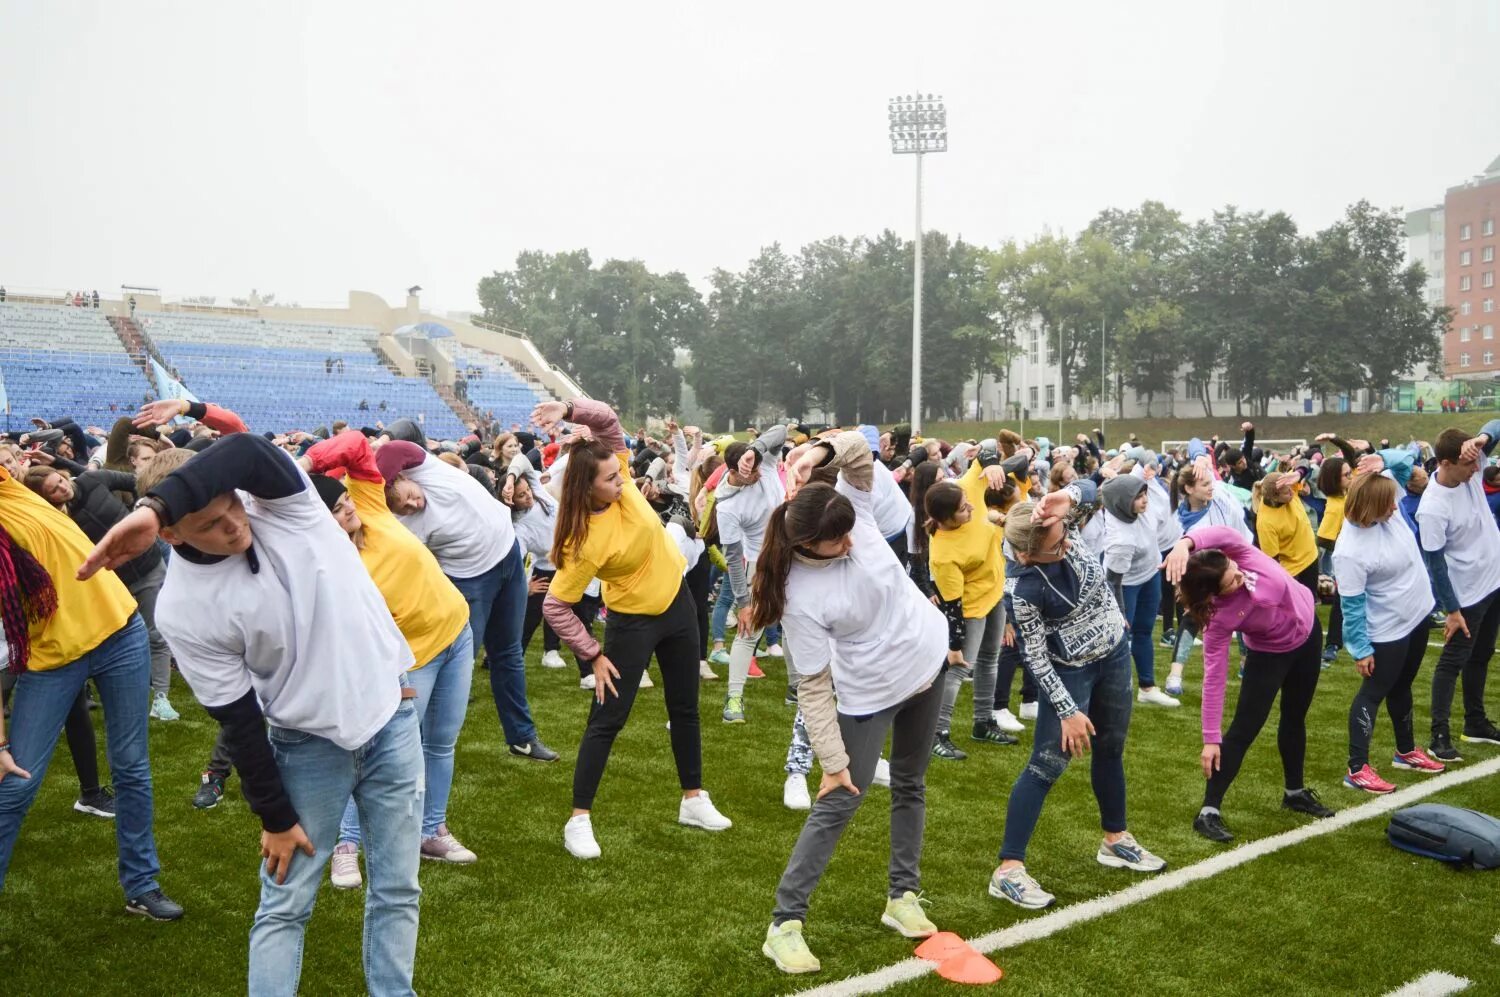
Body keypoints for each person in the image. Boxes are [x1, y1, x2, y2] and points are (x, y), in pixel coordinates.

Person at [83, 434, 421, 994]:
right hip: (307, 745)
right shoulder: (183, 608)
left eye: (231, 505)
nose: (235, 524)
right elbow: (238, 723)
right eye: (212, 524)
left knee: (399, 888)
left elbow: (245, 449)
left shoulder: (284, 506)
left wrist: (155, 504)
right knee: (285, 905)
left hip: (392, 716)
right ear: (170, 536)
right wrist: (274, 816)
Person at [756, 432, 946, 973]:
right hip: (869, 693)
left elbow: (859, 450)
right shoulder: (797, 596)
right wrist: (833, 762)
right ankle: (785, 924)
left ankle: (901, 897)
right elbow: (814, 686)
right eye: (836, 541)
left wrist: (815, 452)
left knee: (912, 783)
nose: (850, 543)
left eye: (847, 533)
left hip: (926, 667)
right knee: (839, 799)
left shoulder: (850, 513)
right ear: (805, 545)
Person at [533, 398, 731, 860]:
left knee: (685, 708)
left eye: (619, 472)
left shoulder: (619, 478)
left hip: (678, 607)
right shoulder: (584, 541)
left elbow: (607, 421)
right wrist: (592, 654)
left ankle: (693, 799)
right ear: (587, 490)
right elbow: (556, 606)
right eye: (611, 479)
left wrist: (567, 408)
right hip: (632, 625)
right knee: (607, 721)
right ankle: (578, 819)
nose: (623, 480)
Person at [0, 455, 179, 921]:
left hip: (121, 633)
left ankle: (142, 884)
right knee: (15, 785)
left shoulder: (13, 489)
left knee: (132, 767)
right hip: (50, 661)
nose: (12, 461)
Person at [299, 431, 478, 886]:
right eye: (339, 510)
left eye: (347, 501)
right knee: (376, 755)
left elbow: (358, 445)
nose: (350, 509)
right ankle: (346, 844)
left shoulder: (372, 510)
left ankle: (430, 830)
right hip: (411, 658)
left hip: (457, 633)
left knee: (441, 743)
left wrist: (308, 465)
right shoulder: (329, 566)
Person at [989, 487, 1166, 911]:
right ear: (1030, 556)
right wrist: (1068, 711)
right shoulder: (1023, 588)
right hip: (1071, 671)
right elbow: (1033, 655)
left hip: (1114, 654)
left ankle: (1115, 839)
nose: (1068, 543)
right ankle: (1008, 870)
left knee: (1111, 749)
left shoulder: (1058, 529)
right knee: (1045, 766)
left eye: (1065, 534)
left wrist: (1065, 499)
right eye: (1058, 545)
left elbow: (1096, 491)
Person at [377, 438, 556, 762]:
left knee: (509, 652)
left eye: (409, 498)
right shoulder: (399, 525)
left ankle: (521, 736)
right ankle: (415, 744)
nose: (414, 506)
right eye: (404, 508)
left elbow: (391, 450)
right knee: (455, 661)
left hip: (508, 559)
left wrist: (375, 481)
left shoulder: (425, 470)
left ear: (403, 480)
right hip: (469, 580)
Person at [1165, 525, 1335, 844]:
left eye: (1234, 569)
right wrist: (1210, 738)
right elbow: (1213, 680)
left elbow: (1223, 534)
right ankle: (1208, 811)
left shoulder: (1241, 554)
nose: (1239, 576)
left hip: (1308, 635)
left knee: (1295, 717)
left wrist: (1183, 544)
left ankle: (1294, 793)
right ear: (1212, 595)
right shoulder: (1217, 619)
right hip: (1269, 654)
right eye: (1231, 581)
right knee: (1243, 730)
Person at [21, 463, 178, 723]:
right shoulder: (60, 522)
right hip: (113, 585)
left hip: (148, 567)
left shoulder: (93, 480)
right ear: (47, 499)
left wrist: (143, 512)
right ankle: (118, 693)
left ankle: (161, 697)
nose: (62, 488)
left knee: (155, 635)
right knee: (119, 643)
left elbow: (135, 482)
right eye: (54, 490)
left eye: (59, 480)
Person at [1333, 460, 1447, 793]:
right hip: (1387, 631)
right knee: (1373, 693)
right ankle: (1357, 769)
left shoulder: (1387, 508)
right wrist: (1360, 649)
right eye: (1388, 503)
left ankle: (1406, 751)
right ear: (1370, 507)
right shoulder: (1350, 551)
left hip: (1417, 616)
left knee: (1404, 684)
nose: (1396, 505)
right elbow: (1351, 608)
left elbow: (1405, 458)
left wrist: (1381, 461)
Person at [923, 444, 1024, 758]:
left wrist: (993, 463)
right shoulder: (943, 554)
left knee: (991, 659)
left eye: (968, 503)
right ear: (946, 520)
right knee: (959, 668)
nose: (971, 507)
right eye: (964, 509)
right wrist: (954, 648)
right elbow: (952, 608)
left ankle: (983, 722)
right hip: (970, 608)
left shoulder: (964, 488)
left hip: (995, 594)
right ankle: (937, 733)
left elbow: (998, 451)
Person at [1416, 421, 1500, 761]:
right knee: (1452, 663)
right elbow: (1435, 565)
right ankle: (1439, 735)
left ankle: (1475, 722)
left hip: (1493, 581)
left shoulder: (1472, 465)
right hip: (1466, 595)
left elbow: (1497, 424)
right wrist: (1452, 610)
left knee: (1481, 656)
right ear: (1445, 463)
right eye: (1468, 464)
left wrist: (1479, 440)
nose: (1475, 470)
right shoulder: (1433, 507)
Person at [714, 428, 788, 724]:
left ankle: (797, 690)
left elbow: (781, 431)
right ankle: (733, 699)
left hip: (796, 557)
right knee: (748, 632)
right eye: (748, 468)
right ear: (733, 471)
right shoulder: (727, 506)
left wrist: (755, 451)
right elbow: (733, 559)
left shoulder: (764, 464)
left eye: (756, 465)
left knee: (803, 627)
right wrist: (743, 603)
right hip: (761, 565)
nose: (757, 473)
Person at [1098, 472, 1180, 707]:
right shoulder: (1121, 541)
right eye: (1139, 497)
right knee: (1120, 637)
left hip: (1150, 574)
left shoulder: (1144, 509)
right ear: (1123, 502)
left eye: (1145, 494)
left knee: (1144, 631)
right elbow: (1113, 582)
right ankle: (1115, 690)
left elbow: (1139, 470)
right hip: (1125, 586)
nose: (1145, 500)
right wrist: (1120, 613)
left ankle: (1147, 687)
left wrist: (1142, 470)